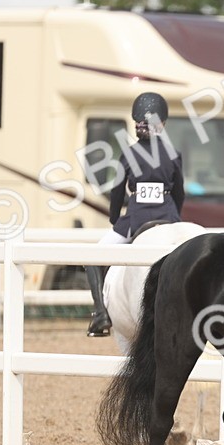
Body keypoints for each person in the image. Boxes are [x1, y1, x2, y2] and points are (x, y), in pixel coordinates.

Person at [86, 92, 185, 337]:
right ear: (162, 123)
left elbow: (118, 194)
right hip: (168, 218)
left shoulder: (129, 154)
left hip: (136, 221)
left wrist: (114, 220)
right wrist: (175, 220)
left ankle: (100, 315)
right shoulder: (174, 154)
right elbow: (180, 193)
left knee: (91, 259)